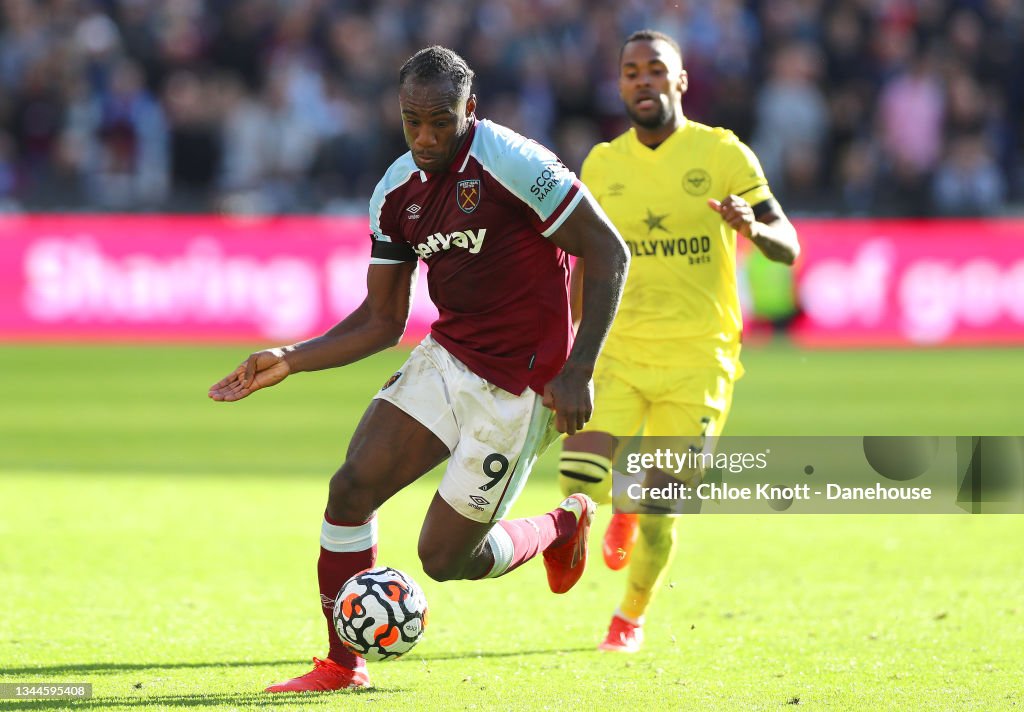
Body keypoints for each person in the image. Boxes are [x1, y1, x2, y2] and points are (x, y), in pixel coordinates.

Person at [208, 45, 629, 692]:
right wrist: (289, 360)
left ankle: (559, 525)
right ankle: (342, 666)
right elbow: (382, 321)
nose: (426, 137)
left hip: (522, 383)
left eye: (441, 121)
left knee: (444, 559)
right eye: (412, 121)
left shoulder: (513, 162)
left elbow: (608, 251)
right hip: (449, 356)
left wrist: (579, 370)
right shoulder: (395, 190)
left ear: (471, 109)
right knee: (350, 488)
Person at [556, 30, 800, 653]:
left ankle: (629, 618)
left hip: (698, 358)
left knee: (661, 520)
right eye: (631, 71)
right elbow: (584, 261)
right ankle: (623, 505)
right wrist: (567, 341)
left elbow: (788, 244)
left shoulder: (722, 154)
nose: (643, 80)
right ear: (619, 85)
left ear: (680, 80)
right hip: (618, 352)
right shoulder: (603, 165)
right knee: (576, 483)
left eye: (656, 69)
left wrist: (753, 229)